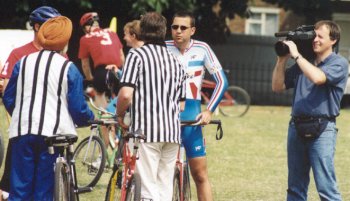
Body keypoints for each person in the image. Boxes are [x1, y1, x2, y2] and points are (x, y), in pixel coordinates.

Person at [2, 16, 94, 201]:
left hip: (22, 131)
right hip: (53, 135)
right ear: (65, 42)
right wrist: (88, 118)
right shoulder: (68, 68)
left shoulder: (23, 62)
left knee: (19, 189)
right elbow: (78, 108)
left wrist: (22, 115)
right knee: (43, 190)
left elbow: (9, 96)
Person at [271, 20, 348, 201]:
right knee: (295, 189)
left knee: (326, 189)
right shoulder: (303, 64)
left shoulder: (339, 63)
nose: (315, 40)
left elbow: (318, 78)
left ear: (333, 40)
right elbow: (277, 86)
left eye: (321, 36)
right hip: (296, 127)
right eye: (314, 36)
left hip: (323, 129)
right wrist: (281, 60)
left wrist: (297, 55)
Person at [116, 12, 186, 201]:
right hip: (172, 132)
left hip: (146, 130)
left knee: (147, 187)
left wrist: (119, 115)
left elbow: (125, 94)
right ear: (164, 32)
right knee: (164, 186)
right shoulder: (177, 61)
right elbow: (181, 105)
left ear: (142, 31)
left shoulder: (137, 55)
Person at [0, 6, 62, 200]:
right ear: (37, 26)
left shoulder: (61, 55)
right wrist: (23, 114)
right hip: (23, 130)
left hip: (52, 130)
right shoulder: (19, 54)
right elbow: (7, 90)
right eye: (50, 25)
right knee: (12, 187)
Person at [165, 11, 228, 201]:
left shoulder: (202, 48)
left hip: (192, 119)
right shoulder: (163, 47)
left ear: (192, 30)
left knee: (200, 175)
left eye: (183, 28)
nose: (178, 31)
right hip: (166, 119)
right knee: (163, 177)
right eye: (174, 27)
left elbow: (222, 82)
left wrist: (208, 111)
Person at [78, 12, 125, 109]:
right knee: (119, 95)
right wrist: (123, 71)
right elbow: (121, 56)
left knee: (98, 93)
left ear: (87, 27)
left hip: (102, 71)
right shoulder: (112, 33)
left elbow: (85, 65)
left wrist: (90, 78)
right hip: (118, 69)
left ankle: (105, 116)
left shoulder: (85, 38)